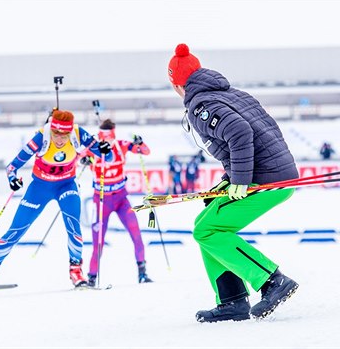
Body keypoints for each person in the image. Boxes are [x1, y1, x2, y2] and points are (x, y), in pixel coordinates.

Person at [167, 43, 300, 322]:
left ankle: (271, 281)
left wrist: (240, 181)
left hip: (265, 180)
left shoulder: (201, 105)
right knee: (206, 223)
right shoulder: (233, 94)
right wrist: (228, 180)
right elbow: (257, 134)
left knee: (206, 230)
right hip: (278, 174)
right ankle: (232, 300)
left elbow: (240, 133)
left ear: (178, 84)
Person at [0, 110, 112, 289]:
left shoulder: (78, 133)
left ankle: (76, 272)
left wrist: (105, 149)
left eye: (64, 136)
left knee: (73, 228)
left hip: (66, 186)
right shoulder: (41, 137)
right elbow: (12, 167)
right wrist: (13, 180)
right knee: (16, 230)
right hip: (39, 188)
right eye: (55, 135)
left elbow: (107, 156)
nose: (59, 140)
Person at [79, 119, 153, 286]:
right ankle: (91, 277)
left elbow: (145, 151)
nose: (107, 142)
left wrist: (140, 142)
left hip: (121, 200)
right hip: (102, 201)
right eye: (104, 139)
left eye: (110, 138)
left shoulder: (121, 145)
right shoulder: (93, 149)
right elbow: (77, 157)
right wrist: (84, 160)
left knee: (136, 233)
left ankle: (142, 273)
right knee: (98, 241)